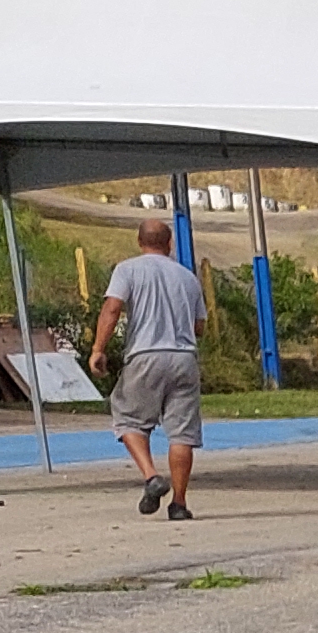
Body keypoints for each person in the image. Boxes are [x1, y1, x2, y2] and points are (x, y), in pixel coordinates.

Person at [93, 218, 208, 519]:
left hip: (145, 355)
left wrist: (98, 349)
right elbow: (200, 326)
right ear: (169, 244)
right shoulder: (187, 277)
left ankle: (151, 476)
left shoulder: (127, 270)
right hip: (184, 358)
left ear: (139, 241)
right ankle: (180, 505)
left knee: (128, 418)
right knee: (182, 434)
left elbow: (112, 308)